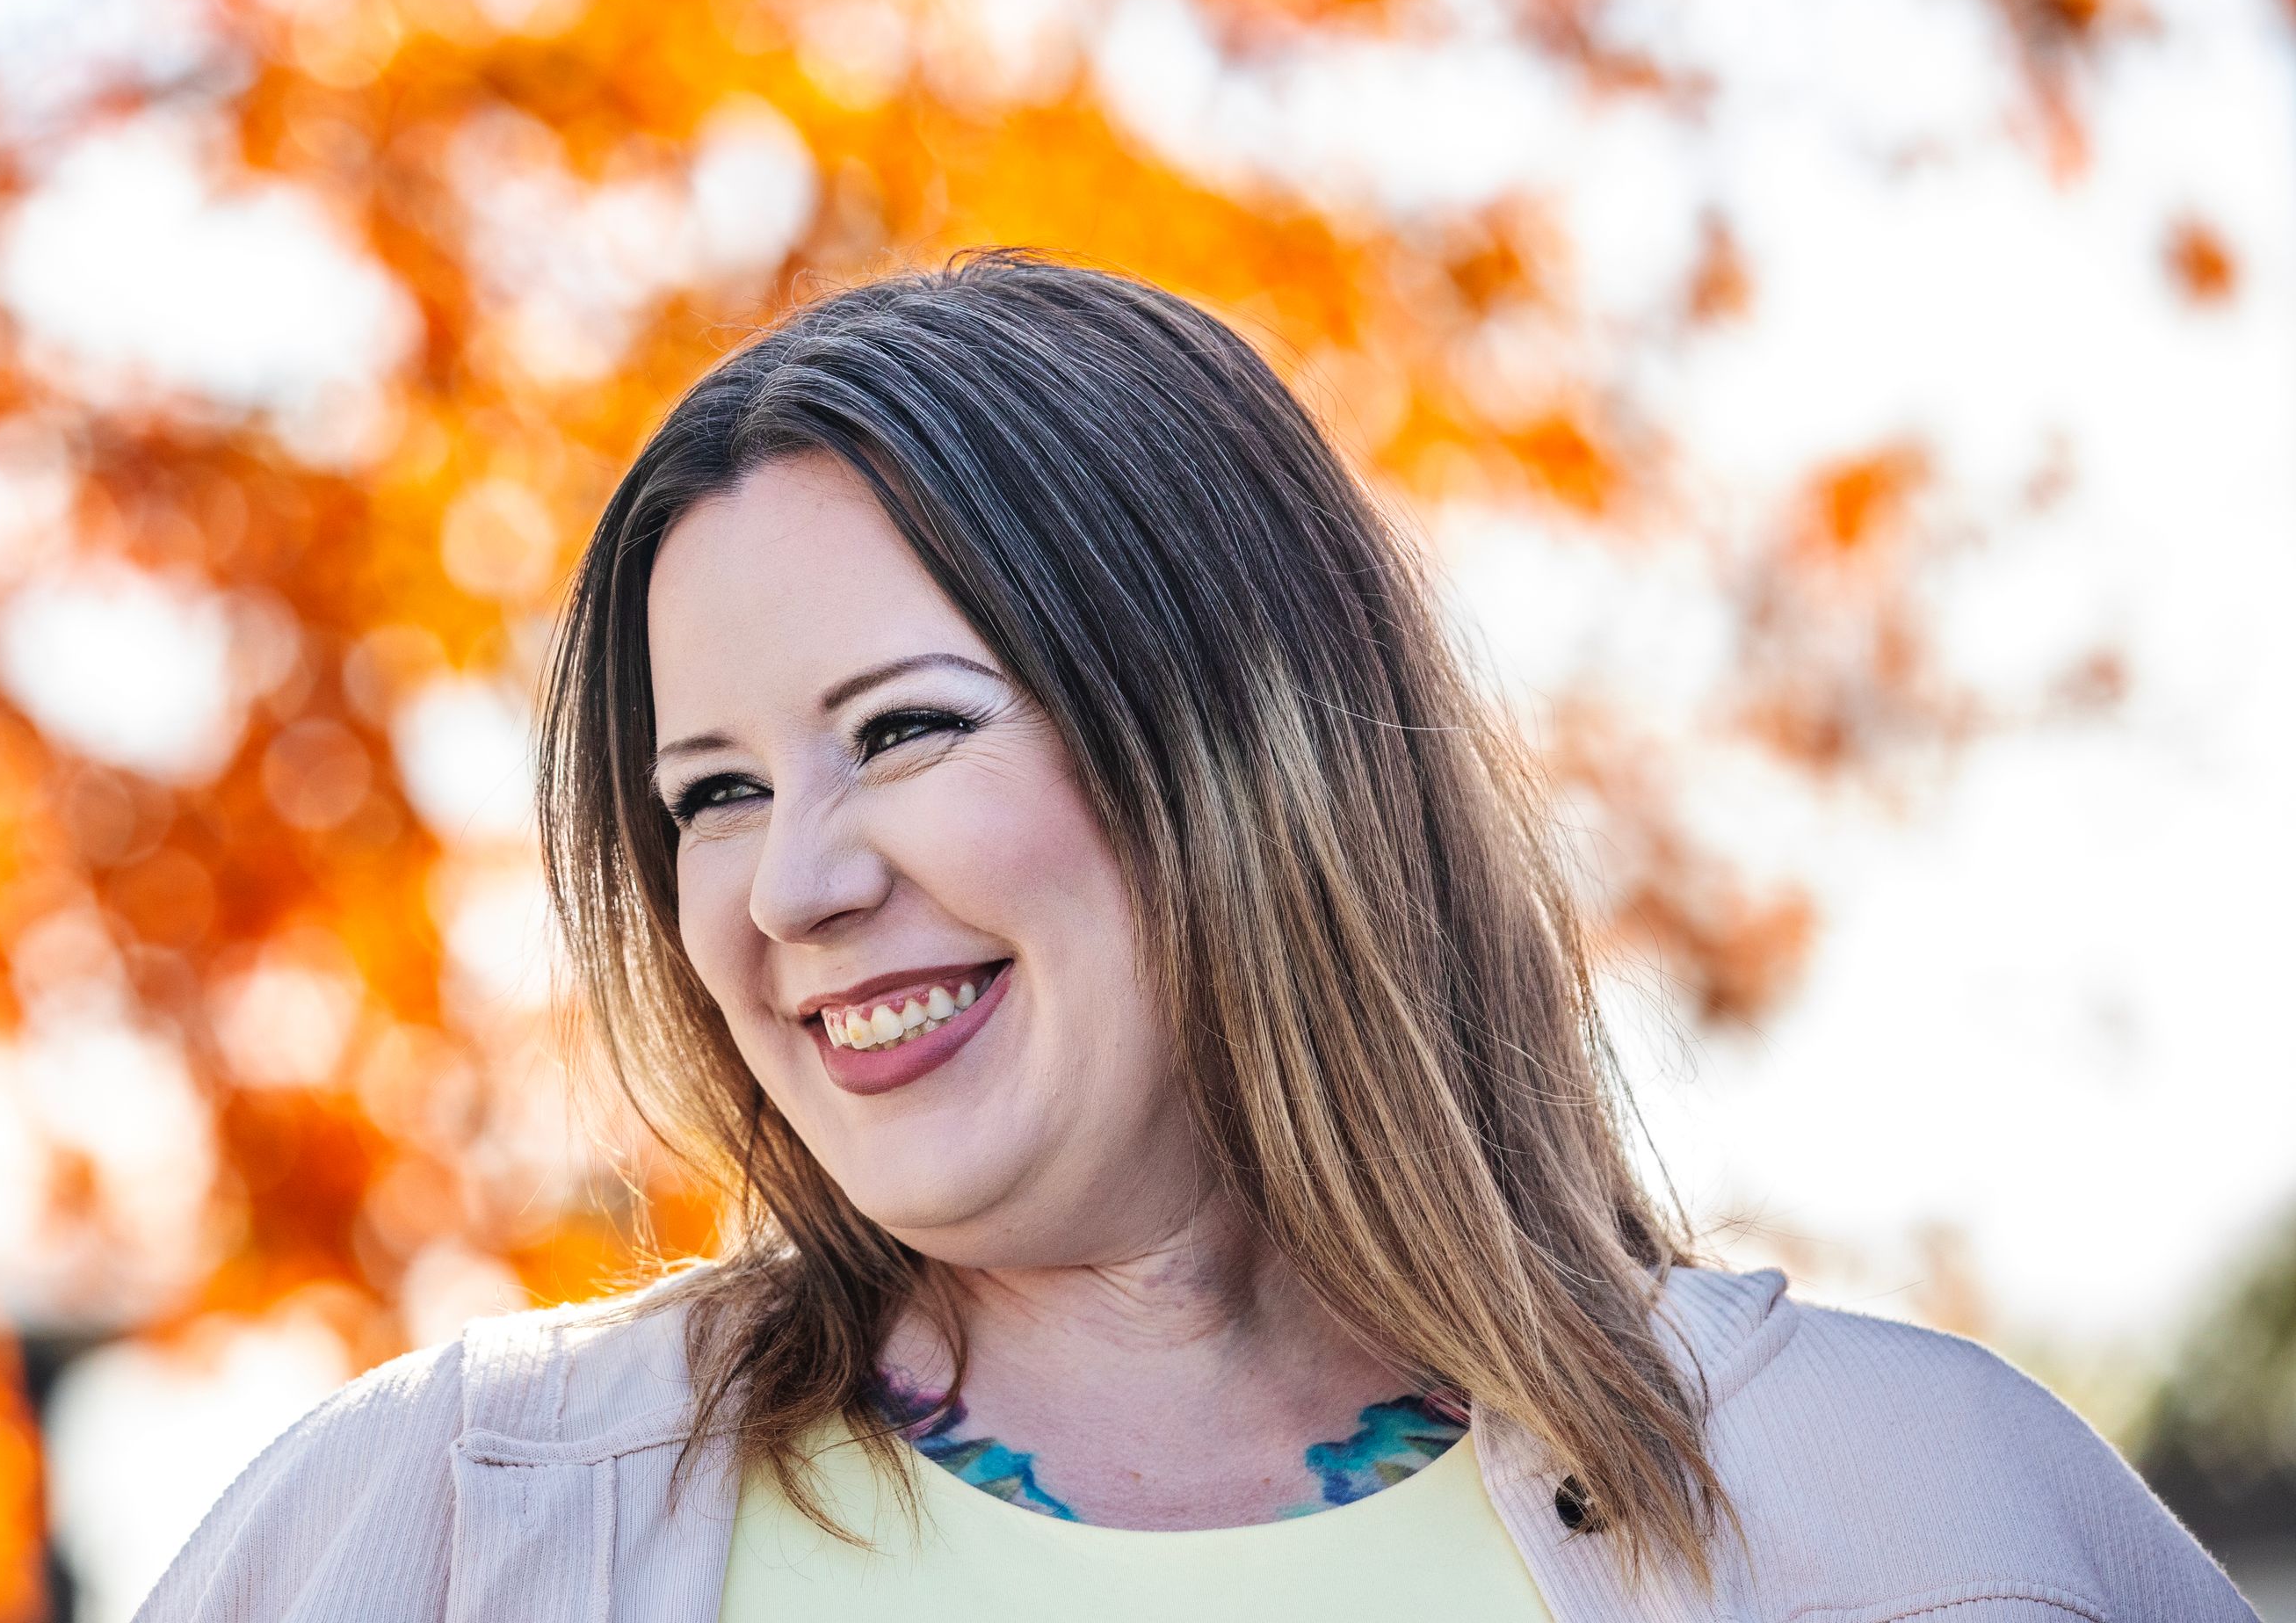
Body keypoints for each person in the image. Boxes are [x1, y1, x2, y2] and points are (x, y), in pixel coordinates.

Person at [140, 255, 2250, 1622]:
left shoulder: (1920, 1520)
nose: (793, 884)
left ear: (1248, 742)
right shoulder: (435, 1522)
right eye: (714, 789)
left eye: (902, 729)